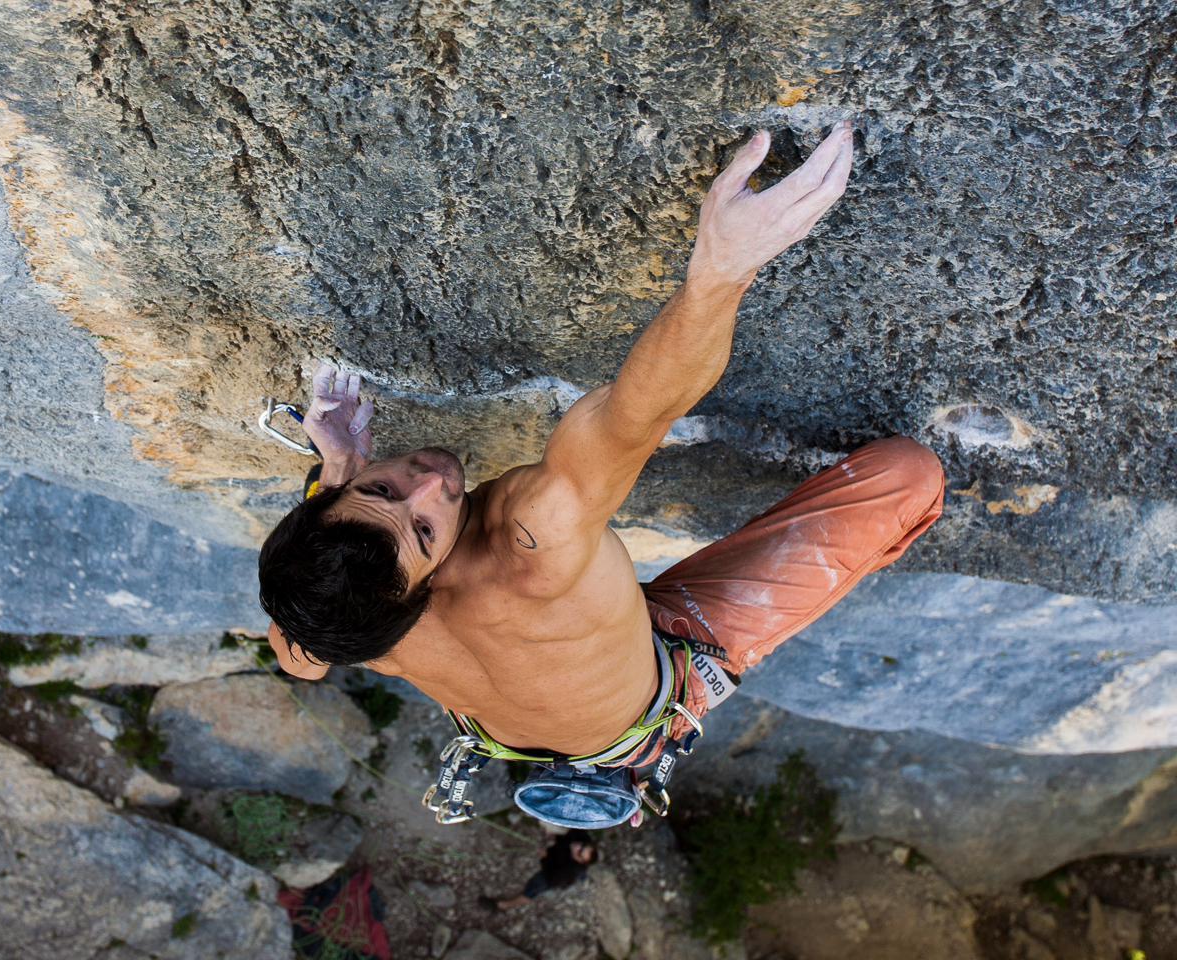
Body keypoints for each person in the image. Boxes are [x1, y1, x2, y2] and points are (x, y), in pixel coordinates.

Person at [258, 122, 945, 825]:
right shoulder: (533, 542)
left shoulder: (341, 621)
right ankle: (663, 716)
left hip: (518, 724)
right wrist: (721, 271)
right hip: (650, 697)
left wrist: (336, 468)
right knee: (908, 472)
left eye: (381, 489)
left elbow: (299, 660)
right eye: (428, 529)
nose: (432, 480)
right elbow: (635, 416)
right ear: (421, 594)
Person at [477, 831, 598, 911]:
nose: (578, 846)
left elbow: (552, 878)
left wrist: (545, 858)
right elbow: (568, 838)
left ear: (578, 860)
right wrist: (556, 837)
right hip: (557, 861)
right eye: (582, 846)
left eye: (580, 851)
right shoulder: (581, 838)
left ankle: (502, 906)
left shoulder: (568, 872)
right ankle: (582, 876)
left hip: (551, 875)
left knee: (532, 889)